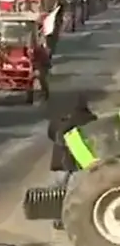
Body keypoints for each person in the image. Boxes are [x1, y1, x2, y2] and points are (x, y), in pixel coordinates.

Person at [48, 91, 97, 229]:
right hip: (75, 163)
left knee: (56, 192)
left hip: (58, 162)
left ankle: (57, 219)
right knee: (71, 192)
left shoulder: (61, 121)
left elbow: (51, 133)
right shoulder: (90, 120)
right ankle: (69, 220)